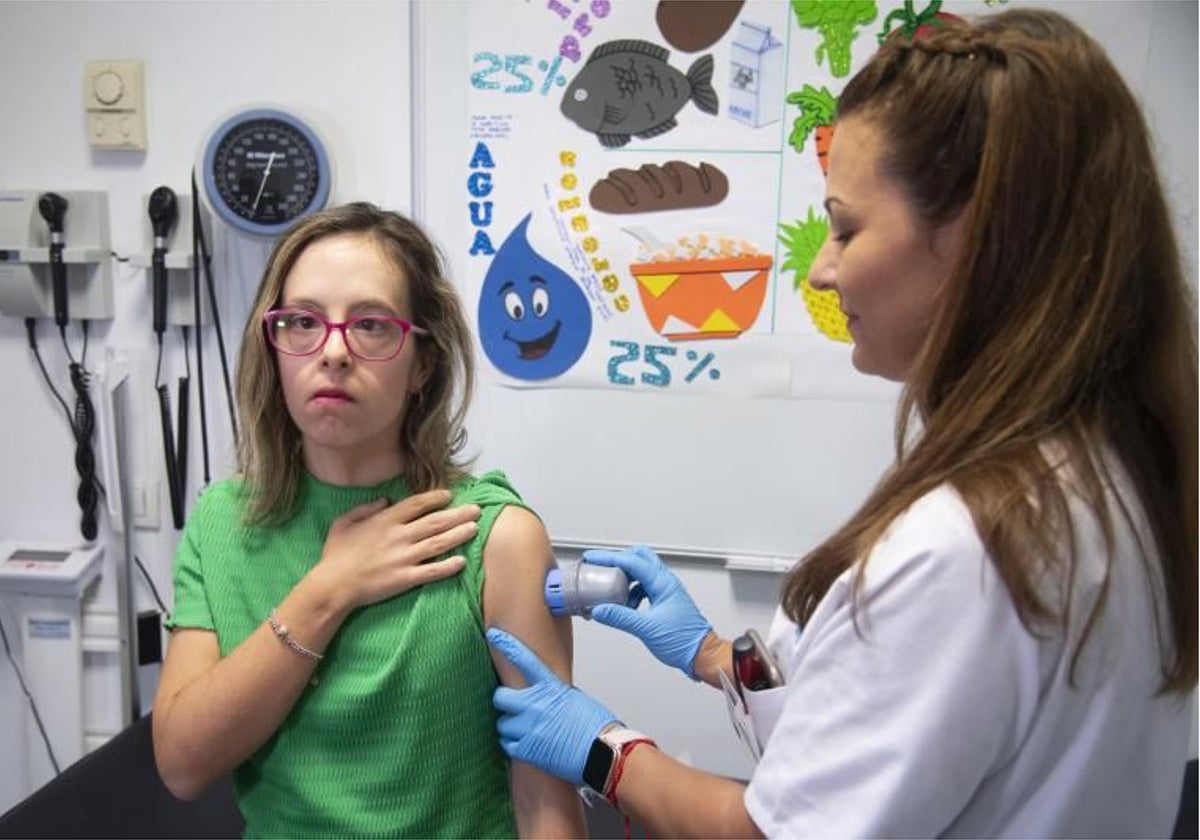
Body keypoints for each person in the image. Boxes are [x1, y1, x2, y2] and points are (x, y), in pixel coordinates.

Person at [485, 8, 1197, 837]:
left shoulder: (969, 547)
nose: (821, 269)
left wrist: (604, 747)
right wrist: (719, 658)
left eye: (848, 227)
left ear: (980, 238)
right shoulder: (1114, 471)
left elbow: (778, 830)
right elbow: (911, 740)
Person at [152, 202, 585, 837]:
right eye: (302, 322)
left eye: (372, 326)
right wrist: (329, 589)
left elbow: (546, 801)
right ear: (273, 349)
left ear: (424, 364)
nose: (332, 352)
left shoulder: (494, 536)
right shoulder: (222, 521)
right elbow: (184, 765)